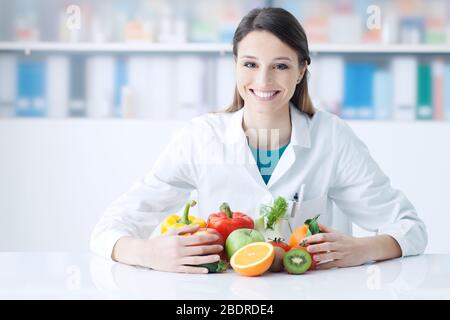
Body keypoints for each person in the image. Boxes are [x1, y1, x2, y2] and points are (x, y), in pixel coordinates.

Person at [90, 7, 427, 273]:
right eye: (250, 64)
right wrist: (147, 252)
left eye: (280, 66)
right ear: (235, 64)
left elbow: (410, 228)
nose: (263, 80)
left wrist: (364, 248)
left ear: (301, 70)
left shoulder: (332, 138)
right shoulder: (199, 138)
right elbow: (109, 228)